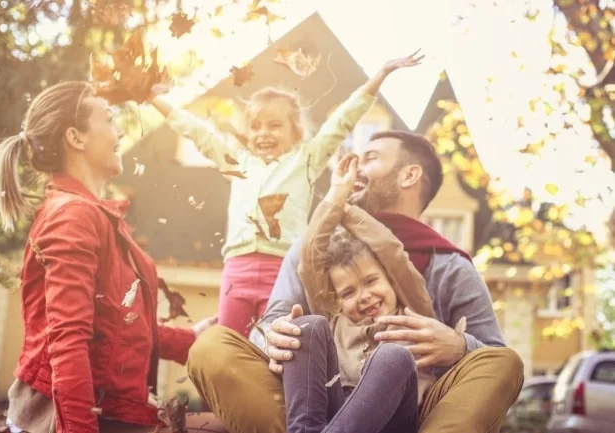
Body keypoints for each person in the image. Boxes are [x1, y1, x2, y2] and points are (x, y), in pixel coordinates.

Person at [187, 130, 525, 433]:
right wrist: (272, 339)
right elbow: (270, 323)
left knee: (503, 362)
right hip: (319, 403)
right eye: (348, 291)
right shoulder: (317, 255)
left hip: (417, 415)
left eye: (370, 158)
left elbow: (492, 357)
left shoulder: (447, 266)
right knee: (211, 347)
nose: (355, 166)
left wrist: (459, 346)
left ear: (409, 175)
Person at [0, 81, 216, 433]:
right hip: (78, 415)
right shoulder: (74, 216)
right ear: (76, 138)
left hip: (111, 410)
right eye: (110, 120)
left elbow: (111, 323)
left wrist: (188, 340)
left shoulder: (94, 215)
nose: (121, 131)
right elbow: (66, 338)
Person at [148, 51, 423, 337]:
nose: (263, 134)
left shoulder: (305, 159)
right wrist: (153, 100)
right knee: (228, 343)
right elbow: (198, 133)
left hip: (281, 271)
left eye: (275, 125)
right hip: (236, 272)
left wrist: (381, 74)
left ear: (296, 131)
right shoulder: (238, 163)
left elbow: (341, 121)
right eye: (255, 126)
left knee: (276, 345)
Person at [284, 153, 445, 433]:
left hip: (393, 420)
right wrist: (336, 195)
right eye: (348, 292)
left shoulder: (413, 314)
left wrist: (346, 208)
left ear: (392, 280)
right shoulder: (336, 320)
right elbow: (310, 256)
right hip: (334, 414)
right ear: (337, 301)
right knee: (306, 326)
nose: (365, 296)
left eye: (371, 281)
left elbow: (389, 250)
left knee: (393, 356)